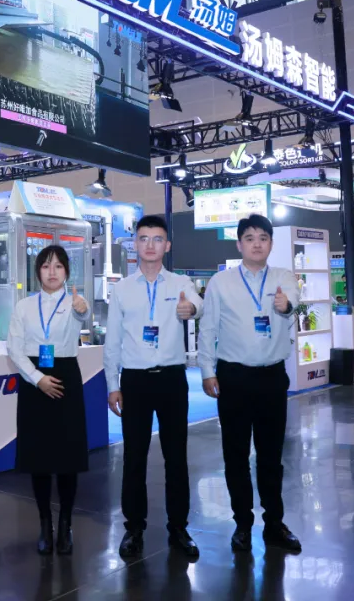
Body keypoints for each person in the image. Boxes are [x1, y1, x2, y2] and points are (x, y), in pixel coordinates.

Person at [198, 214, 302, 555]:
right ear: (239, 244)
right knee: (236, 456)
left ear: (271, 243)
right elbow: (208, 328)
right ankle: (242, 523)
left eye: (263, 238)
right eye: (250, 238)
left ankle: (274, 523)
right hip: (234, 378)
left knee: (272, 456)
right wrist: (207, 370)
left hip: (272, 377)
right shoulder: (221, 282)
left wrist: (287, 306)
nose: (257, 244)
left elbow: (294, 302)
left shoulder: (284, 277)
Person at [104, 215, 203, 559]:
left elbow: (198, 303)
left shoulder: (180, 282)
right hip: (134, 381)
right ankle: (134, 528)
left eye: (157, 239)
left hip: (172, 379)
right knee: (134, 457)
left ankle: (179, 527)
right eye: (143, 238)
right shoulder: (122, 289)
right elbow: (112, 341)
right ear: (135, 244)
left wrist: (191, 308)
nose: (150, 245)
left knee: (176, 457)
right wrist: (113, 384)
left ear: (167, 245)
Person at [6, 244, 90, 556]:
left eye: (58, 266)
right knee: (38, 458)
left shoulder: (75, 302)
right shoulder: (24, 306)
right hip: (34, 381)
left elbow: (84, 315)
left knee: (67, 458)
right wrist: (36, 378)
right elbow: (14, 348)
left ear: (67, 271)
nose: (52, 272)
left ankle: (65, 523)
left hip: (66, 377)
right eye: (45, 266)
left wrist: (82, 309)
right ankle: (45, 523)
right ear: (37, 272)